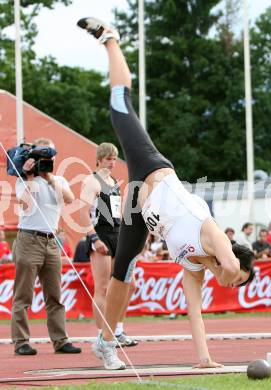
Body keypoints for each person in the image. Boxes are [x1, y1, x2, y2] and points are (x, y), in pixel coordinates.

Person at [77, 17, 255, 370]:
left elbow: (195, 314)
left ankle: (105, 343)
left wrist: (204, 360)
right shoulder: (214, 235)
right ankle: (111, 39)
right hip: (152, 170)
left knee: (122, 272)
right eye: (237, 282)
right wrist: (235, 272)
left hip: (138, 205)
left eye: (237, 285)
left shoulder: (194, 268)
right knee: (119, 106)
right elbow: (232, 264)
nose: (233, 285)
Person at [11, 138, 81, 356]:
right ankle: (21, 341)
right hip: (28, 240)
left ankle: (60, 340)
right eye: (42, 156)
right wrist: (31, 176)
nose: (47, 160)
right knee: (23, 296)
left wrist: (49, 177)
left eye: (49, 156)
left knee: (55, 296)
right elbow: (24, 203)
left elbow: (69, 199)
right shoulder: (23, 179)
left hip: (52, 241)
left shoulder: (58, 180)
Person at [80, 142, 138, 358]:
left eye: (114, 159)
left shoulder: (114, 182)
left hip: (117, 234)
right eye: (108, 159)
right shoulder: (91, 181)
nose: (112, 163)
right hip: (100, 235)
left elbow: (118, 213)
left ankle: (118, 329)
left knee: (126, 285)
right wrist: (93, 238)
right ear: (99, 159)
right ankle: (101, 335)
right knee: (103, 288)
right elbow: (83, 213)